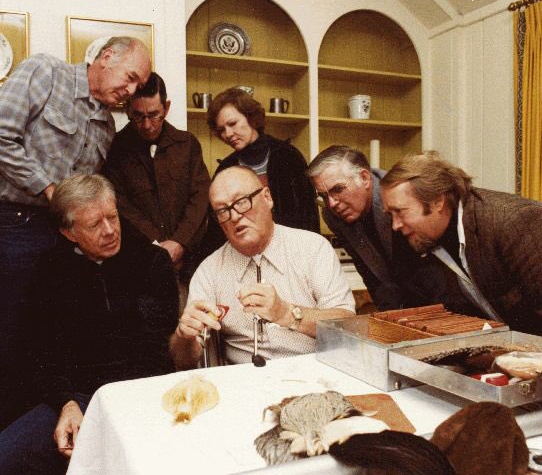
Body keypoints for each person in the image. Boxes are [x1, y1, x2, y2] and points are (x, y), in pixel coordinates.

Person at [0, 36, 151, 424]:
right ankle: (10, 439)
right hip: (14, 227)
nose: (132, 90)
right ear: (106, 57)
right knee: (12, 340)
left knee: (55, 337)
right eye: (131, 77)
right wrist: (48, 187)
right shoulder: (45, 73)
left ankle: (58, 425)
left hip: (64, 238)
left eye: (139, 85)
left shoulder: (106, 125)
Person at [0, 174, 177, 475]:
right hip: (76, 400)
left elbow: (155, 349)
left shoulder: (153, 262)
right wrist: (66, 403)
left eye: (113, 217)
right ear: (68, 232)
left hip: (141, 398)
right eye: (94, 225)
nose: (110, 230)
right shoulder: (49, 271)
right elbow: (37, 352)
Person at [381, 151, 542, 347]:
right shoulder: (430, 241)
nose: (395, 225)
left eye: (400, 211)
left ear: (438, 202)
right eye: (390, 214)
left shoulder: (518, 222)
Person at [170, 166, 355, 369]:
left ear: (267, 198)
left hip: (314, 373)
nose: (234, 216)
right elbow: (183, 361)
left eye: (242, 202)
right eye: (222, 211)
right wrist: (183, 337)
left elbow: (348, 326)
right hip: (244, 386)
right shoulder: (209, 271)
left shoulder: (313, 248)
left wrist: (287, 314)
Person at [104, 72, 210, 304]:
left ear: (167, 107)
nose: (147, 125)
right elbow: (119, 204)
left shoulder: (188, 144)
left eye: (154, 115)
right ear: (127, 110)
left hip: (190, 265)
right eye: (137, 116)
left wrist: (180, 243)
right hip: (141, 264)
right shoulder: (115, 148)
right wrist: (159, 248)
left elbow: (200, 198)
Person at [307, 145, 443, 311]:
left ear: (364, 178)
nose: (332, 203)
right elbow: (370, 272)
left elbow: (438, 265)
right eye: (323, 195)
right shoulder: (332, 216)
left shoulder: (401, 194)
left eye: (338, 189)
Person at [200, 87, 320, 254]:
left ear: (251, 118)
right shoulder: (226, 168)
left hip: (292, 253)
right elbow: (218, 228)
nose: (227, 134)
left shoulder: (288, 156)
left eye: (233, 123)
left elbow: (309, 219)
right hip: (244, 257)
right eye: (221, 129)